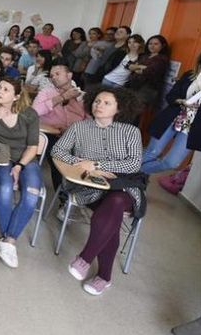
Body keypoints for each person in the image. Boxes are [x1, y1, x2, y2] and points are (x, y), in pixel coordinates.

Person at [51, 86, 144, 296]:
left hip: (124, 187)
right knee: (112, 213)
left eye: (106, 103)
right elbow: (57, 150)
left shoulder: (130, 131)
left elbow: (133, 165)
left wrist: (98, 165)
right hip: (90, 188)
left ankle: (85, 258)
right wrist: (82, 163)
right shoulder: (79, 128)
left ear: (119, 108)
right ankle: (104, 277)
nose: (99, 105)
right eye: (97, 101)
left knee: (117, 202)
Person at [0, 78, 42, 268]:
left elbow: (33, 146)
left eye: (5, 89)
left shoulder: (29, 114)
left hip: (25, 159)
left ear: (17, 96)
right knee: (5, 187)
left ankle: (7, 240)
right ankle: (10, 241)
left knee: (31, 193)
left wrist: (20, 165)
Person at [141, 52, 201, 176]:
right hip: (174, 116)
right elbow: (171, 96)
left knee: (172, 163)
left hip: (194, 127)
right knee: (152, 152)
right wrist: (179, 101)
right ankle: (130, 177)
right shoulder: (189, 75)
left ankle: (133, 173)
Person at [32, 60, 86, 193]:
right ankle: (63, 197)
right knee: (58, 156)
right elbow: (35, 111)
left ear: (69, 76)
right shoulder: (46, 92)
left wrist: (74, 130)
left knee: (86, 157)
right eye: (51, 75)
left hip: (75, 136)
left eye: (57, 74)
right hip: (50, 134)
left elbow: (89, 120)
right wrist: (62, 97)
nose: (53, 77)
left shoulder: (82, 96)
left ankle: (82, 194)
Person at [125, 35, 171, 109]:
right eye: (150, 43)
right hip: (133, 86)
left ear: (162, 46)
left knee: (134, 111)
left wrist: (137, 67)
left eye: (156, 44)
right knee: (126, 108)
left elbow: (147, 71)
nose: (152, 46)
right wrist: (140, 67)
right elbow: (128, 65)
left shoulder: (162, 59)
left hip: (146, 90)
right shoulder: (145, 56)